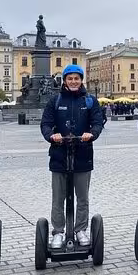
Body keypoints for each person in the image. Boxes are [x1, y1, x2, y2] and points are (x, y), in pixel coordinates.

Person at [40, 64, 103, 249]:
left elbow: (97, 123)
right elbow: (45, 124)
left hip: (83, 155)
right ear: (65, 80)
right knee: (58, 198)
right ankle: (58, 231)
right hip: (59, 155)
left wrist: (91, 134)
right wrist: (52, 135)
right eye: (70, 78)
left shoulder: (90, 101)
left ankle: (80, 229)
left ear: (81, 80)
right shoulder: (55, 101)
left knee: (82, 197)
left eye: (77, 78)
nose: (73, 81)